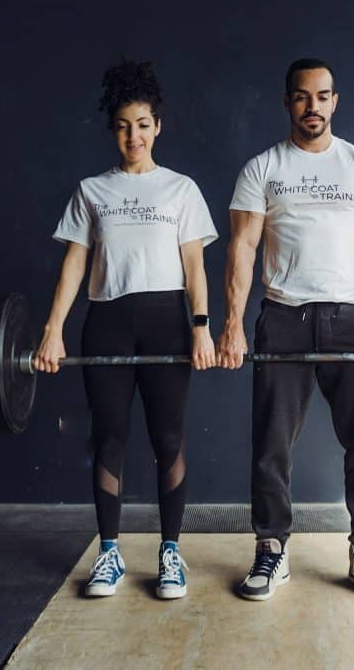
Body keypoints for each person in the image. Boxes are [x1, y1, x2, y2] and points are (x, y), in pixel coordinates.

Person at [216, 58, 354, 602]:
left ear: (336, 101)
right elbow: (241, 248)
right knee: (271, 444)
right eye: (303, 97)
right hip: (282, 319)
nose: (314, 106)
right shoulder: (262, 169)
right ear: (287, 102)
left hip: (353, 319)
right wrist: (232, 326)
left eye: (323, 96)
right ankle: (270, 549)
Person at [36, 60, 218, 600]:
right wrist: (53, 331)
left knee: (168, 440)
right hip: (107, 324)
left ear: (157, 125)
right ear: (111, 130)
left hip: (168, 325)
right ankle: (109, 552)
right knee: (110, 439)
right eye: (122, 125)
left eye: (142, 124)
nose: (133, 135)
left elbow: (194, 268)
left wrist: (202, 328)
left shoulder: (181, 189)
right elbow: (73, 266)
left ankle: (170, 554)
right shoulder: (92, 190)